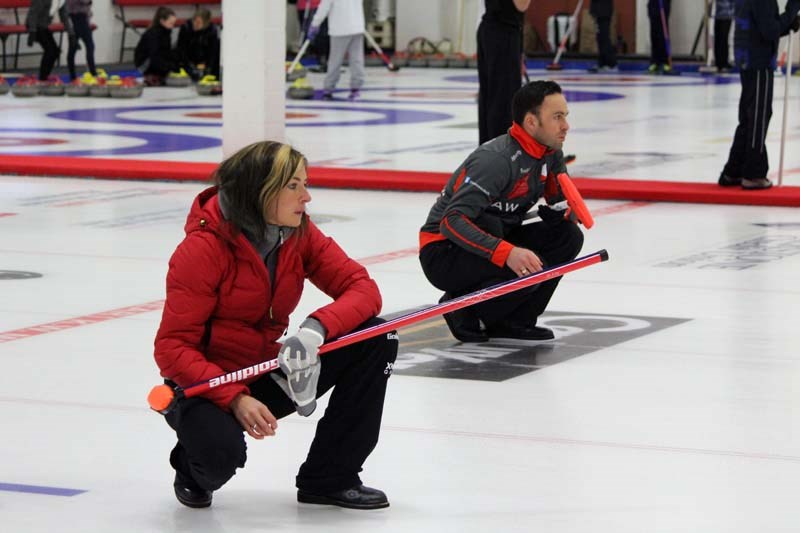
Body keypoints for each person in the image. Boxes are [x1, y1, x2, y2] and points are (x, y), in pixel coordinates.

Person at [153, 141, 398, 510]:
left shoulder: (297, 232)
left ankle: (330, 477)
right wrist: (234, 398)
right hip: (207, 383)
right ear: (260, 191)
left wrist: (315, 331)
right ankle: (190, 464)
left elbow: (362, 289)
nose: (307, 196)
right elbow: (171, 348)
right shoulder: (202, 250)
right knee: (219, 458)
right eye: (294, 186)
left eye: (305, 183)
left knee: (376, 335)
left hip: (267, 368)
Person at [419, 80, 584, 343]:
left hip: (496, 232)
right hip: (444, 250)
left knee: (567, 236)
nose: (566, 126)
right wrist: (507, 253)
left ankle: (515, 321)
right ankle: (463, 309)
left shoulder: (551, 152)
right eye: (557, 117)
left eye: (565, 116)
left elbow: (559, 198)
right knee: (518, 258)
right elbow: (451, 222)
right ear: (531, 122)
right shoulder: (496, 160)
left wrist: (562, 211)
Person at [718, 0, 800, 190]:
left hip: (750, 57)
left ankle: (733, 170)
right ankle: (753, 173)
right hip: (758, 60)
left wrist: (787, 23)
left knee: (749, 117)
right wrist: (791, 11)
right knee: (758, 116)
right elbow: (769, 30)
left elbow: (763, 25)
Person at [477, 0, 531, 144]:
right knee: (504, 101)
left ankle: (488, 153)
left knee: (490, 99)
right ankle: (502, 155)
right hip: (503, 33)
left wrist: (519, 52)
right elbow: (522, 4)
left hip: (490, 30)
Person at [307, 0, 365, 100]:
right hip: (357, 28)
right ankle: (356, 89)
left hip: (339, 30)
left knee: (335, 61)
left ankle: (328, 90)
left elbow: (324, 7)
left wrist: (315, 24)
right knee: (356, 60)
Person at [25, 0, 71, 82]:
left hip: (43, 26)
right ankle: (42, 78)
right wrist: (32, 32)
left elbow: (64, 17)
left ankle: (44, 77)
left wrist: (71, 34)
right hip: (34, 25)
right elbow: (33, 13)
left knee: (55, 51)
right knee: (50, 51)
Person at [134, 6, 178, 86]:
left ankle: (159, 75)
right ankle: (150, 76)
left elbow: (167, 53)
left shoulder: (167, 33)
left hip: (156, 60)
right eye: (171, 23)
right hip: (145, 64)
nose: (173, 26)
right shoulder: (153, 34)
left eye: (173, 24)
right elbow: (154, 56)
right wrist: (168, 68)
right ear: (162, 21)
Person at [175, 8, 220, 80]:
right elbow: (181, 49)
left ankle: (210, 74)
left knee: (218, 45)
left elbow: (213, 52)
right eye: (194, 21)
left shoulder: (212, 30)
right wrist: (190, 65)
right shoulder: (186, 27)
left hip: (204, 59)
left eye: (199, 22)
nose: (195, 24)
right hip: (189, 59)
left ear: (206, 23)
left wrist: (208, 66)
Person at [65, 0, 97, 81]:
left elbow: (87, 5)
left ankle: (93, 73)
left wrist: (88, 18)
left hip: (83, 20)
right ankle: (73, 76)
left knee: (90, 46)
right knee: (72, 49)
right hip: (74, 19)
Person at [297, 0, 330, 72]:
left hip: (316, 6)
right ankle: (310, 54)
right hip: (305, 6)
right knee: (306, 31)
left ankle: (322, 58)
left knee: (320, 32)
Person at [588, 0, 618, 73]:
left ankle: (611, 64)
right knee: (600, 39)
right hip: (598, 12)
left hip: (603, 12)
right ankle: (602, 63)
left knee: (604, 38)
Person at [647, 0, 672, 74]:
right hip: (653, 5)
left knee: (663, 34)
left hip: (663, 4)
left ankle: (665, 62)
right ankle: (654, 61)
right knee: (653, 34)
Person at [714, 0, 735, 73]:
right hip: (719, 15)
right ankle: (719, 63)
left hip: (726, 15)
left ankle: (723, 62)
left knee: (723, 39)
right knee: (719, 39)